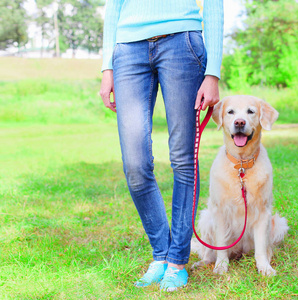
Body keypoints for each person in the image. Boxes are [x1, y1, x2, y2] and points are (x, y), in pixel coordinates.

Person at [99, 0, 223, 292]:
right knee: (135, 164)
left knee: (183, 158)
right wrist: (107, 66)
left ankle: (176, 260)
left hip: (182, 43)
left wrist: (213, 72)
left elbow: (214, 5)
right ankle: (161, 253)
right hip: (128, 49)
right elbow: (113, 5)